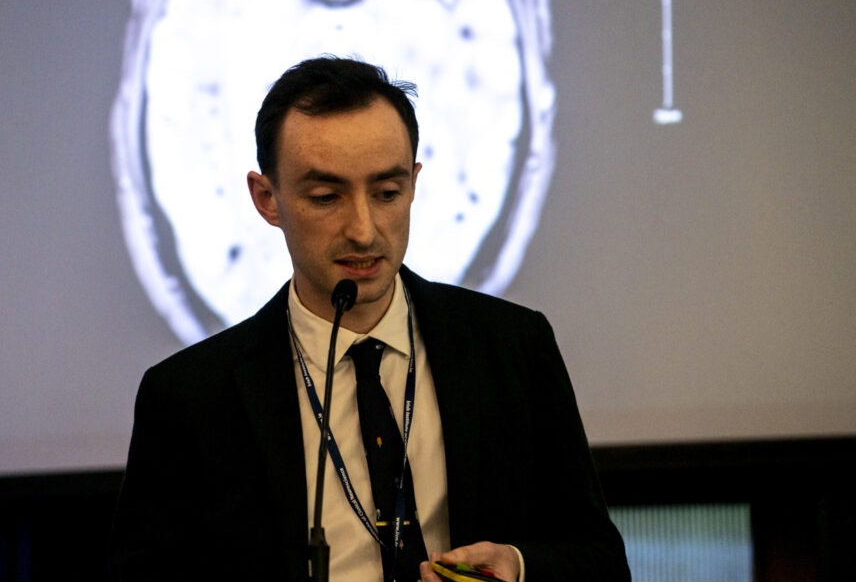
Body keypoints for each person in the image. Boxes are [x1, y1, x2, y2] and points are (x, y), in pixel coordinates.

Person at [110, 57, 630, 581]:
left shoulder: (512, 346)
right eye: (326, 197)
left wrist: (517, 569)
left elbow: (600, 559)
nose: (363, 230)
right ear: (267, 200)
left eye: (387, 194)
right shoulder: (190, 397)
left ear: (414, 184)